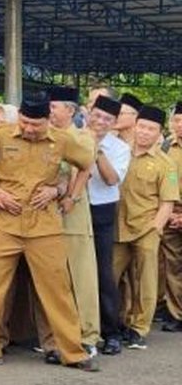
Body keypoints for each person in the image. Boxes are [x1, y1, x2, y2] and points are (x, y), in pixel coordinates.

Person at [0, 95, 97, 372]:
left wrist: (66, 194)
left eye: (35, 124)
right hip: (4, 224)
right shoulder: (0, 135)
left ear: (48, 120)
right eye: (24, 122)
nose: (29, 128)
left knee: (57, 291)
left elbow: (86, 165)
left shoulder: (62, 140)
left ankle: (73, 352)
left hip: (44, 227)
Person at [112, 104, 177, 349]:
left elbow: (167, 202)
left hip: (146, 229)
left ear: (159, 132)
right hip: (118, 227)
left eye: (151, 129)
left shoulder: (165, 164)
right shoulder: (120, 153)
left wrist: (156, 228)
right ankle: (115, 322)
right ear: (135, 126)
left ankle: (139, 327)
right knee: (111, 277)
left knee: (144, 281)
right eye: (142, 127)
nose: (144, 133)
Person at [45, 86, 102, 354]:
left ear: (69, 110)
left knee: (81, 277)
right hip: (45, 216)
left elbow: (85, 169)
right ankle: (57, 336)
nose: (50, 110)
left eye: (54, 106)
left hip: (73, 214)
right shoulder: (42, 135)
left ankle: (88, 336)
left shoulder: (82, 136)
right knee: (55, 280)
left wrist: (72, 197)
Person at [86, 95, 131, 355]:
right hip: (74, 207)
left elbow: (112, 179)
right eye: (97, 115)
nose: (100, 121)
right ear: (89, 113)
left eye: (107, 119)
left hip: (102, 211)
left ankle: (111, 332)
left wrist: (96, 149)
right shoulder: (72, 135)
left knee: (103, 272)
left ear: (114, 123)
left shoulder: (119, 148)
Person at [160, 102, 182, 333]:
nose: (180, 125)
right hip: (171, 212)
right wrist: (170, 213)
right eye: (176, 120)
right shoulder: (165, 147)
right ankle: (176, 314)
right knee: (172, 266)